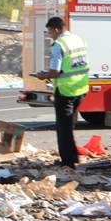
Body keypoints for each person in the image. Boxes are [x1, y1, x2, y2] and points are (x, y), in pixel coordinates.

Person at [32, 16, 89, 169]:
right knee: (70, 124)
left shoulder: (59, 45)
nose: (50, 36)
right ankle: (73, 156)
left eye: (50, 32)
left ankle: (68, 161)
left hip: (65, 90)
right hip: (81, 88)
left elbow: (55, 71)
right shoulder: (77, 40)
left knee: (63, 127)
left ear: (56, 29)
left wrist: (42, 75)